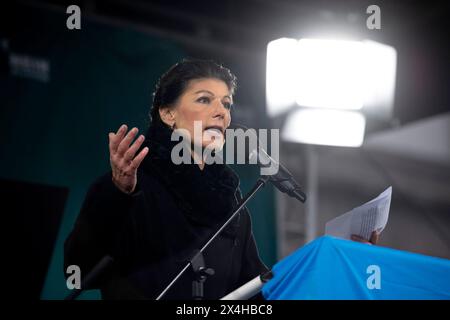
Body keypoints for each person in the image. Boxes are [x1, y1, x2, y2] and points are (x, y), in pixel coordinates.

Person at [64, 59, 269, 300]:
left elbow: (253, 288)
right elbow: (78, 270)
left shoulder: (232, 205)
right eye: (204, 99)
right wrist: (118, 194)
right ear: (168, 113)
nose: (221, 112)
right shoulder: (130, 185)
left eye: (226, 104)